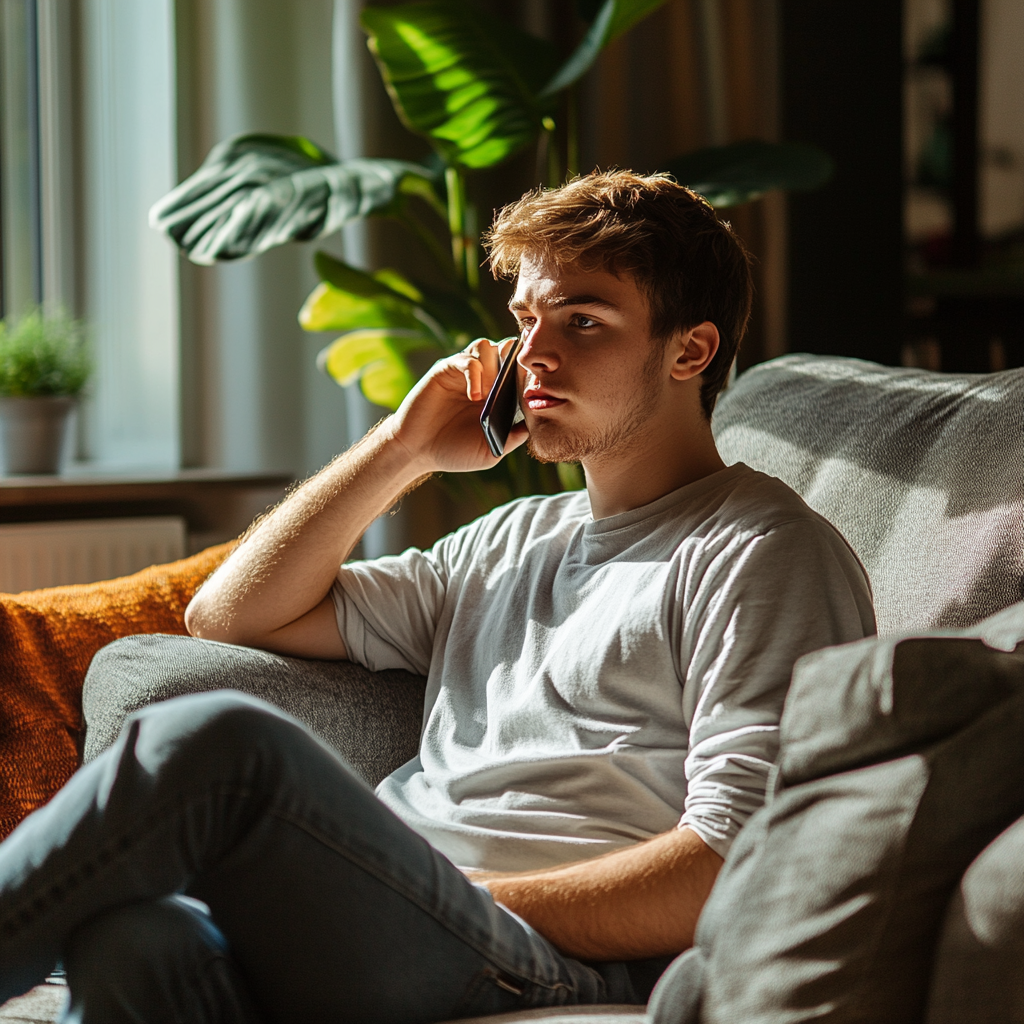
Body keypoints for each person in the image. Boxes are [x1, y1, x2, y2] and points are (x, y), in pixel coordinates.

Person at [0, 171, 874, 1024]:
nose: (535, 353)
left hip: (538, 958)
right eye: (528, 319)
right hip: (397, 923)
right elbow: (230, 615)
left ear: (690, 350)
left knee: (208, 736)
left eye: (584, 321)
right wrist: (402, 448)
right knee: (134, 939)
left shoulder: (760, 551)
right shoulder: (509, 539)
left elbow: (734, 861)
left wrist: (454, 892)